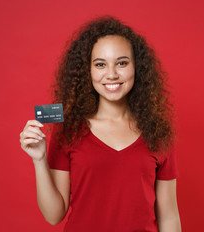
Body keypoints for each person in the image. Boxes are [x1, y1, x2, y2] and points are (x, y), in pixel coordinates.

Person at [20, 16, 181, 231]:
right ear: (88, 71)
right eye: (100, 64)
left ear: (137, 68)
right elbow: (54, 215)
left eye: (122, 63)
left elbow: (169, 217)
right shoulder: (69, 130)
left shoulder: (157, 132)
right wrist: (39, 160)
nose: (112, 74)